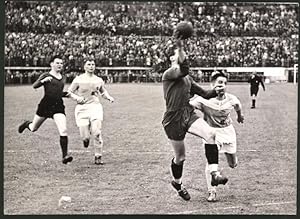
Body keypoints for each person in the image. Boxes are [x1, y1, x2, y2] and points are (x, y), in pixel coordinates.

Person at [162, 38, 228, 201]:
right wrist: (180, 46)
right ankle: (177, 183)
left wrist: (216, 90)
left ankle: (214, 173)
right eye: (178, 54)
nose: (182, 56)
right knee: (180, 158)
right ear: (172, 59)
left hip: (188, 113)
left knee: (211, 134)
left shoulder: (187, 79)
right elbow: (183, 69)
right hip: (173, 119)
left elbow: (205, 94)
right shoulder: (170, 74)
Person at [189, 71, 244, 202]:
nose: (223, 86)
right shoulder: (203, 100)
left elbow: (238, 106)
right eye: (220, 83)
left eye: (225, 83)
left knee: (233, 164)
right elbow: (188, 105)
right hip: (211, 134)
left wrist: (240, 116)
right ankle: (212, 191)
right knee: (210, 163)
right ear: (212, 85)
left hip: (228, 132)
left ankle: (229, 158)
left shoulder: (231, 99)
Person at [18, 56, 73, 164]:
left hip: (58, 106)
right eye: (57, 63)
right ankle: (26, 124)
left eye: (61, 63)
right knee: (34, 128)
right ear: (51, 64)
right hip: (45, 105)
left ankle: (65, 156)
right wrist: (43, 81)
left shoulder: (63, 77)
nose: (60, 65)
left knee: (63, 130)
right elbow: (35, 86)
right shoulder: (46, 75)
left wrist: (70, 95)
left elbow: (58, 93)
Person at [67, 58, 114, 165]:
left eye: (93, 64)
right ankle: (85, 140)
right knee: (85, 137)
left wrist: (109, 97)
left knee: (97, 133)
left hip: (95, 107)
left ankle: (98, 156)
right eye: (89, 64)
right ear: (84, 67)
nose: (91, 66)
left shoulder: (98, 80)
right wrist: (77, 98)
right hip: (82, 109)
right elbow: (69, 92)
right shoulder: (78, 79)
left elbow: (103, 91)